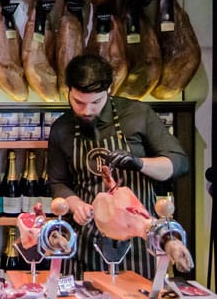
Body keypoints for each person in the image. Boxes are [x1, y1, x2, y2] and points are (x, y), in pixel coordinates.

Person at [47, 54, 189, 279]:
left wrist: (139, 163)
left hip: (138, 239)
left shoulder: (138, 115)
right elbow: (58, 182)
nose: (87, 110)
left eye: (96, 102)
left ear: (109, 90)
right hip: (88, 240)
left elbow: (178, 163)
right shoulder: (61, 128)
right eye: (78, 102)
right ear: (68, 91)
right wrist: (76, 206)